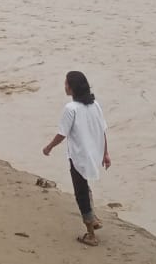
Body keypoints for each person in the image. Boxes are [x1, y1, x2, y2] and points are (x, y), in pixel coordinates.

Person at [42, 70, 111, 247]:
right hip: (93, 153)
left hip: (79, 156)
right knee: (84, 185)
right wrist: (105, 153)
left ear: (72, 88)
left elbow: (61, 133)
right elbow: (103, 130)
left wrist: (49, 147)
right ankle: (93, 218)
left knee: (80, 191)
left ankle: (91, 234)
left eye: (66, 84)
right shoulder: (95, 104)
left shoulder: (70, 109)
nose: (64, 86)